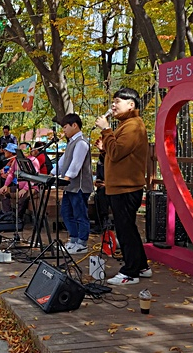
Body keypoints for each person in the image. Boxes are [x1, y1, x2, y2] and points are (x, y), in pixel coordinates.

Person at [95, 87, 150, 285]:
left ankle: (130, 272)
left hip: (126, 187)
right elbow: (116, 153)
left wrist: (106, 130)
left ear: (131, 104)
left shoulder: (133, 126)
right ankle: (141, 266)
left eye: (118, 101)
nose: (113, 105)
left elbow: (117, 153)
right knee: (128, 229)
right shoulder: (125, 125)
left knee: (125, 230)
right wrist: (104, 149)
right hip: (120, 186)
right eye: (113, 101)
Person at [52, 114, 93, 255]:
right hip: (69, 186)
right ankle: (74, 239)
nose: (63, 130)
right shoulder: (71, 142)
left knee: (80, 214)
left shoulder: (81, 142)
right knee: (66, 213)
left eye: (65, 127)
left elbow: (76, 164)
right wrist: (51, 174)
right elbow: (63, 161)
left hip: (79, 186)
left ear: (74, 125)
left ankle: (82, 243)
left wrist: (66, 178)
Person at [0, 142, 40, 220]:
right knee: (3, 193)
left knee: (21, 198)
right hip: (19, 185)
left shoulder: (33, 160)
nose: (20, 150)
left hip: (32, 187)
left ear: (29, 149)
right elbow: (11, 173)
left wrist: (25, 189)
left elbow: (33, 177)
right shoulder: (17, 160)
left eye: (23, 148)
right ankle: (8, 215)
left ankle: (18, 217)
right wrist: (5, 185)